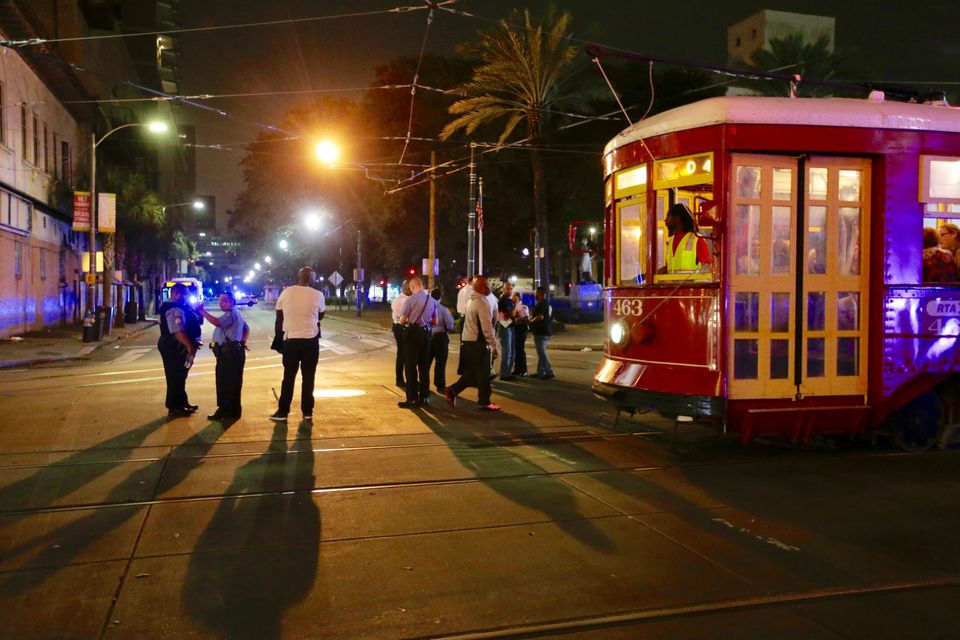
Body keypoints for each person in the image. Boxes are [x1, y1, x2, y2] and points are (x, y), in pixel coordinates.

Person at [271, 267, 326, 421]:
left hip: (291, 340)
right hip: (311, 340)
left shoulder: (286, 293)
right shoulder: (318, 295)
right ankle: (307, 411)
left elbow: (279, 318)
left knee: (288, 377)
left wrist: (279, 338)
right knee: (308, 378)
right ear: (311, 279)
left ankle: (283, 412)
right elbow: (320, 315)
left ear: (299, 277)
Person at [445, 275, 500, 411]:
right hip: (478, 342)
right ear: (480, 287)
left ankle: (454, 391)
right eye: (486, 285)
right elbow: (486, 327)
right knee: (483, 372)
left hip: (469, 341)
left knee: (474, 372)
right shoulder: (481, 302)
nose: (489, 288)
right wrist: (494, 345)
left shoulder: (471, 300)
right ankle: (484, 401)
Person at [197, 291, 249, 421]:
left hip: (228, 354)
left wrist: (202, 312)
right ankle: (234, 411)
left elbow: (218, 322)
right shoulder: (236, 313)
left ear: (231, 302)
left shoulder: (231, 314)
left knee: (225, 383)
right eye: (220, 300)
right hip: (233, 352)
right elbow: (246, 329)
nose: (221, 303)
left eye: (224, 300)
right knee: (234, 383)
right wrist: (242, 342)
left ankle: (223, 412)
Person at [157, 283, 202, 417]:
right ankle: (174, 406)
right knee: (175, 376)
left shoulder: (178, 306)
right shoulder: (174, 308)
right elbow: (177, 331)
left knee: (181, 376)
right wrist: (189, 346)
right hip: (174, 346)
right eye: (185, 293)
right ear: (175, 293)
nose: (187, 296)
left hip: (178, 345)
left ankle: (182, 403)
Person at [398, 277, 437, 408]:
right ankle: (424, 397)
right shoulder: (431, 300)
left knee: (410, 367)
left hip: (413, 336)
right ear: (422, 285)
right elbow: (435, 321)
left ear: (412, 287)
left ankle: (412, 398)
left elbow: (402, 321)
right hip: (426, 335)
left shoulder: (410, 300)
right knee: (424, 367)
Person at [657, 203, 712, 275]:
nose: (665, 220)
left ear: (677, 218)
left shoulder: (697, 240)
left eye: (668, 216)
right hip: (673, 286)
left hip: (691, 286)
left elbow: (707, 269)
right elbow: (670, 268)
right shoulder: (670, 241)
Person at [429, 288, 455, 392]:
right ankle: (440, 384)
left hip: (428, 336)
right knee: (440, 362)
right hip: (440, 337)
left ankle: (423, 383)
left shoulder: (426, 308)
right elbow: (450, 325)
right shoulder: (444, 309)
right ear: (440, 297)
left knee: (426, 362)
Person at [529, 286, 555, 380]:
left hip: (541, 332)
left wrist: (530, 321)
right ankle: (541, 371)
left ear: (541, 294)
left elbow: (540, 317)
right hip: (543, 331)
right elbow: (551, 317)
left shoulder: (543, 303)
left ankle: (549, 371)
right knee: (541, 353)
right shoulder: (544, 303)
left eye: (536, 293)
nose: (535, 294)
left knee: (542, 353)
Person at [391, 280, 411, 387]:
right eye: (408, 288)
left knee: (407, 354)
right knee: (402, 354)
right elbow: (401, 317)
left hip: (403, 327)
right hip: (400, 327)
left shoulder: (407, 299)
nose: (410, 290)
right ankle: (399, 379)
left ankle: (408, 378)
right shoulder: (401, 300)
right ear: (404, 288)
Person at [496, 282, 516, 380]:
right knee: (506, 351)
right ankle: (504, 374)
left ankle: (508, 372)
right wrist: (510, 317)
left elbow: (513, 314)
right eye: (507, 288)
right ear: (503, 290)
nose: (510, 290)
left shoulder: (510, 301)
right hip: (505, 328)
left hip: (511, 327)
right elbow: (501, 317)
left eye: (511, 288)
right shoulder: (501, 301)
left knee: (512, 351)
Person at [512, 292, 529, 376]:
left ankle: (523, 370)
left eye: (514, 296)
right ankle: (517, 369)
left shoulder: (521, 306)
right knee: (517, 350)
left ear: (517, 298)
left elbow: (525, 319)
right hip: (517, 329)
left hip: (521, 329)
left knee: (520, 349)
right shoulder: (516, 306)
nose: (512, 297)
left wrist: (516, 320)